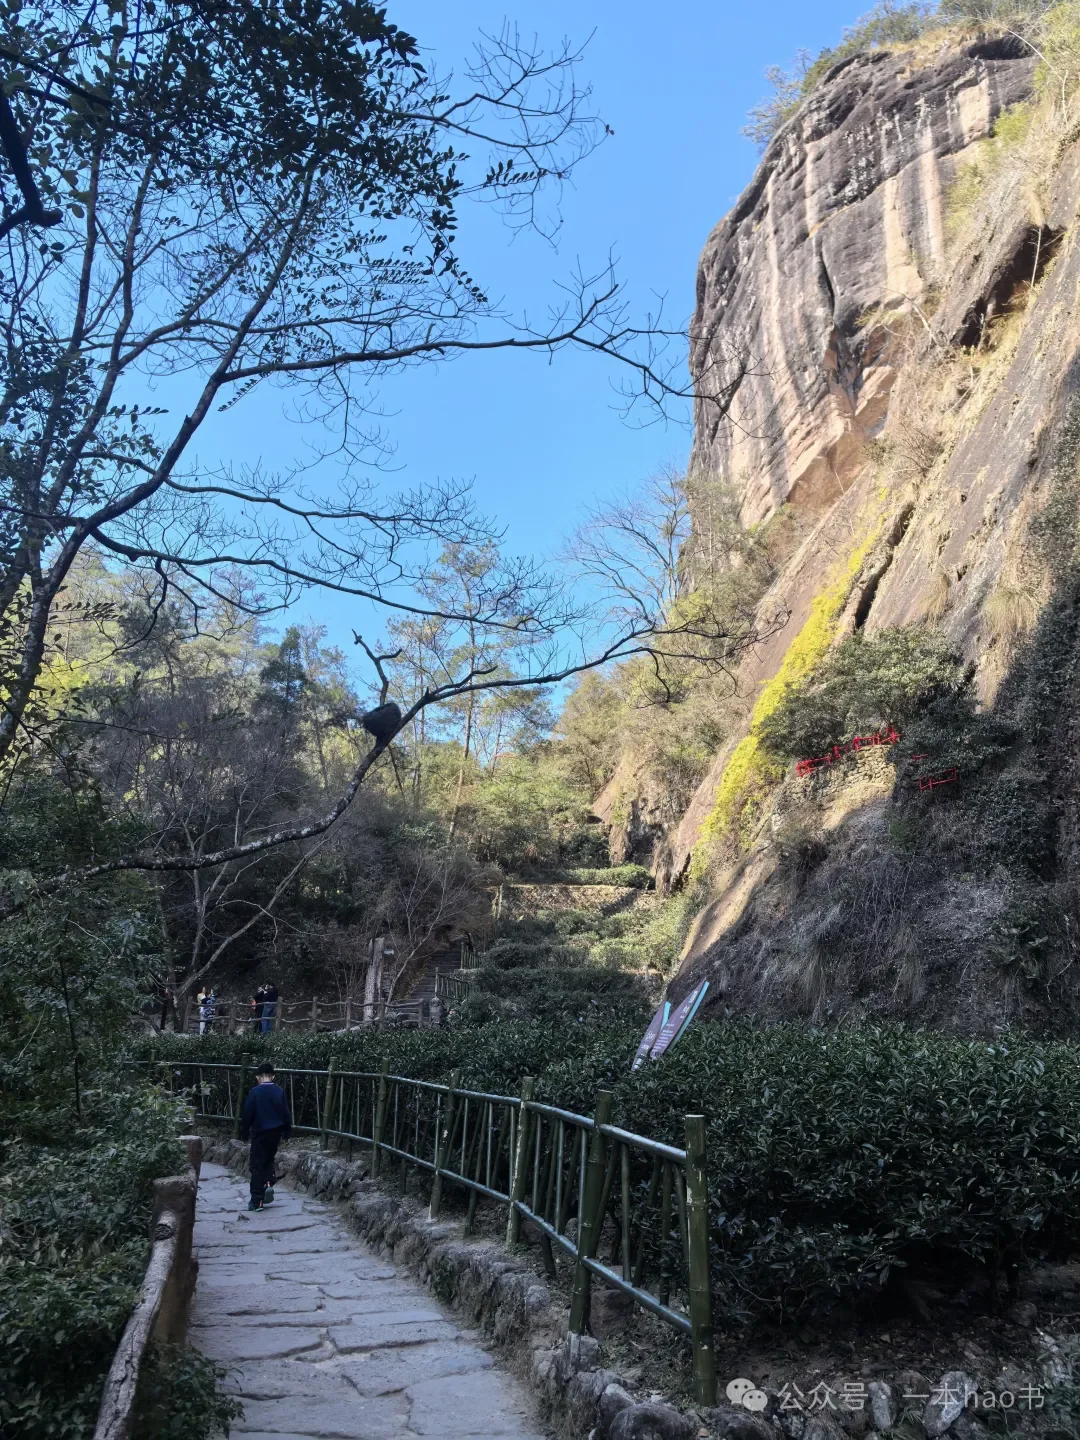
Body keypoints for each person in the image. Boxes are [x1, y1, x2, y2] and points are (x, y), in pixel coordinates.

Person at [240, 1061, 292, 1211]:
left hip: (259, 1133)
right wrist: (287, 1130)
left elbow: (248, 1113)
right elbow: (285, 1113)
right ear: (273, 1076)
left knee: (256, 1165)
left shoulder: (255, 1092)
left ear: (258, 1077)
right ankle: (268, 1183)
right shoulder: (279, 1091)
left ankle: (257, 1201)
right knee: (269, 1159)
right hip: (275, 1133)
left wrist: (244, 1132)